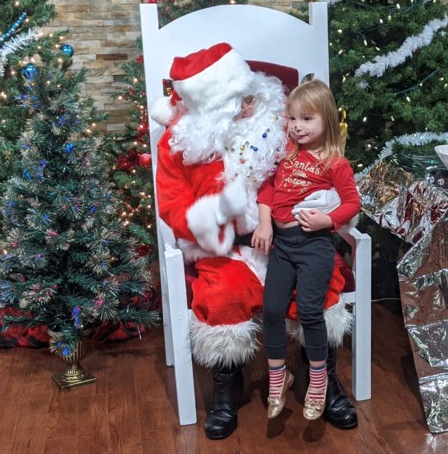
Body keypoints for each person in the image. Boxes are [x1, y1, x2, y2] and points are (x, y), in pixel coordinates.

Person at [150, 43, 358, 439]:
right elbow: (174, 204)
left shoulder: (282, 123)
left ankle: (324, 380)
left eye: (249, 95)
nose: (248, 106)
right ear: (210, 109)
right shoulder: (181, 144)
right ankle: (227, 392)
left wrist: (325, 210)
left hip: (290, 238)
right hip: (226, 249)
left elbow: (323, 163)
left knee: (322, 287)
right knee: (224, 294)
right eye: (236, 101)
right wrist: (211, 217)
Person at [253, 79, 361, 421]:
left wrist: (327, 221)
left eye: (307, 119)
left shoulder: (335, 163)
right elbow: (267, 188)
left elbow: (352, 204)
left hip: (314, 246)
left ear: (326, 121)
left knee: (310, 312)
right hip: (282, 245)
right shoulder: (285, 152)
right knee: (271, 310)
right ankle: (277, 375)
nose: (298, 126)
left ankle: (317, 380)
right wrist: (264, 222)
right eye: (293, 118)